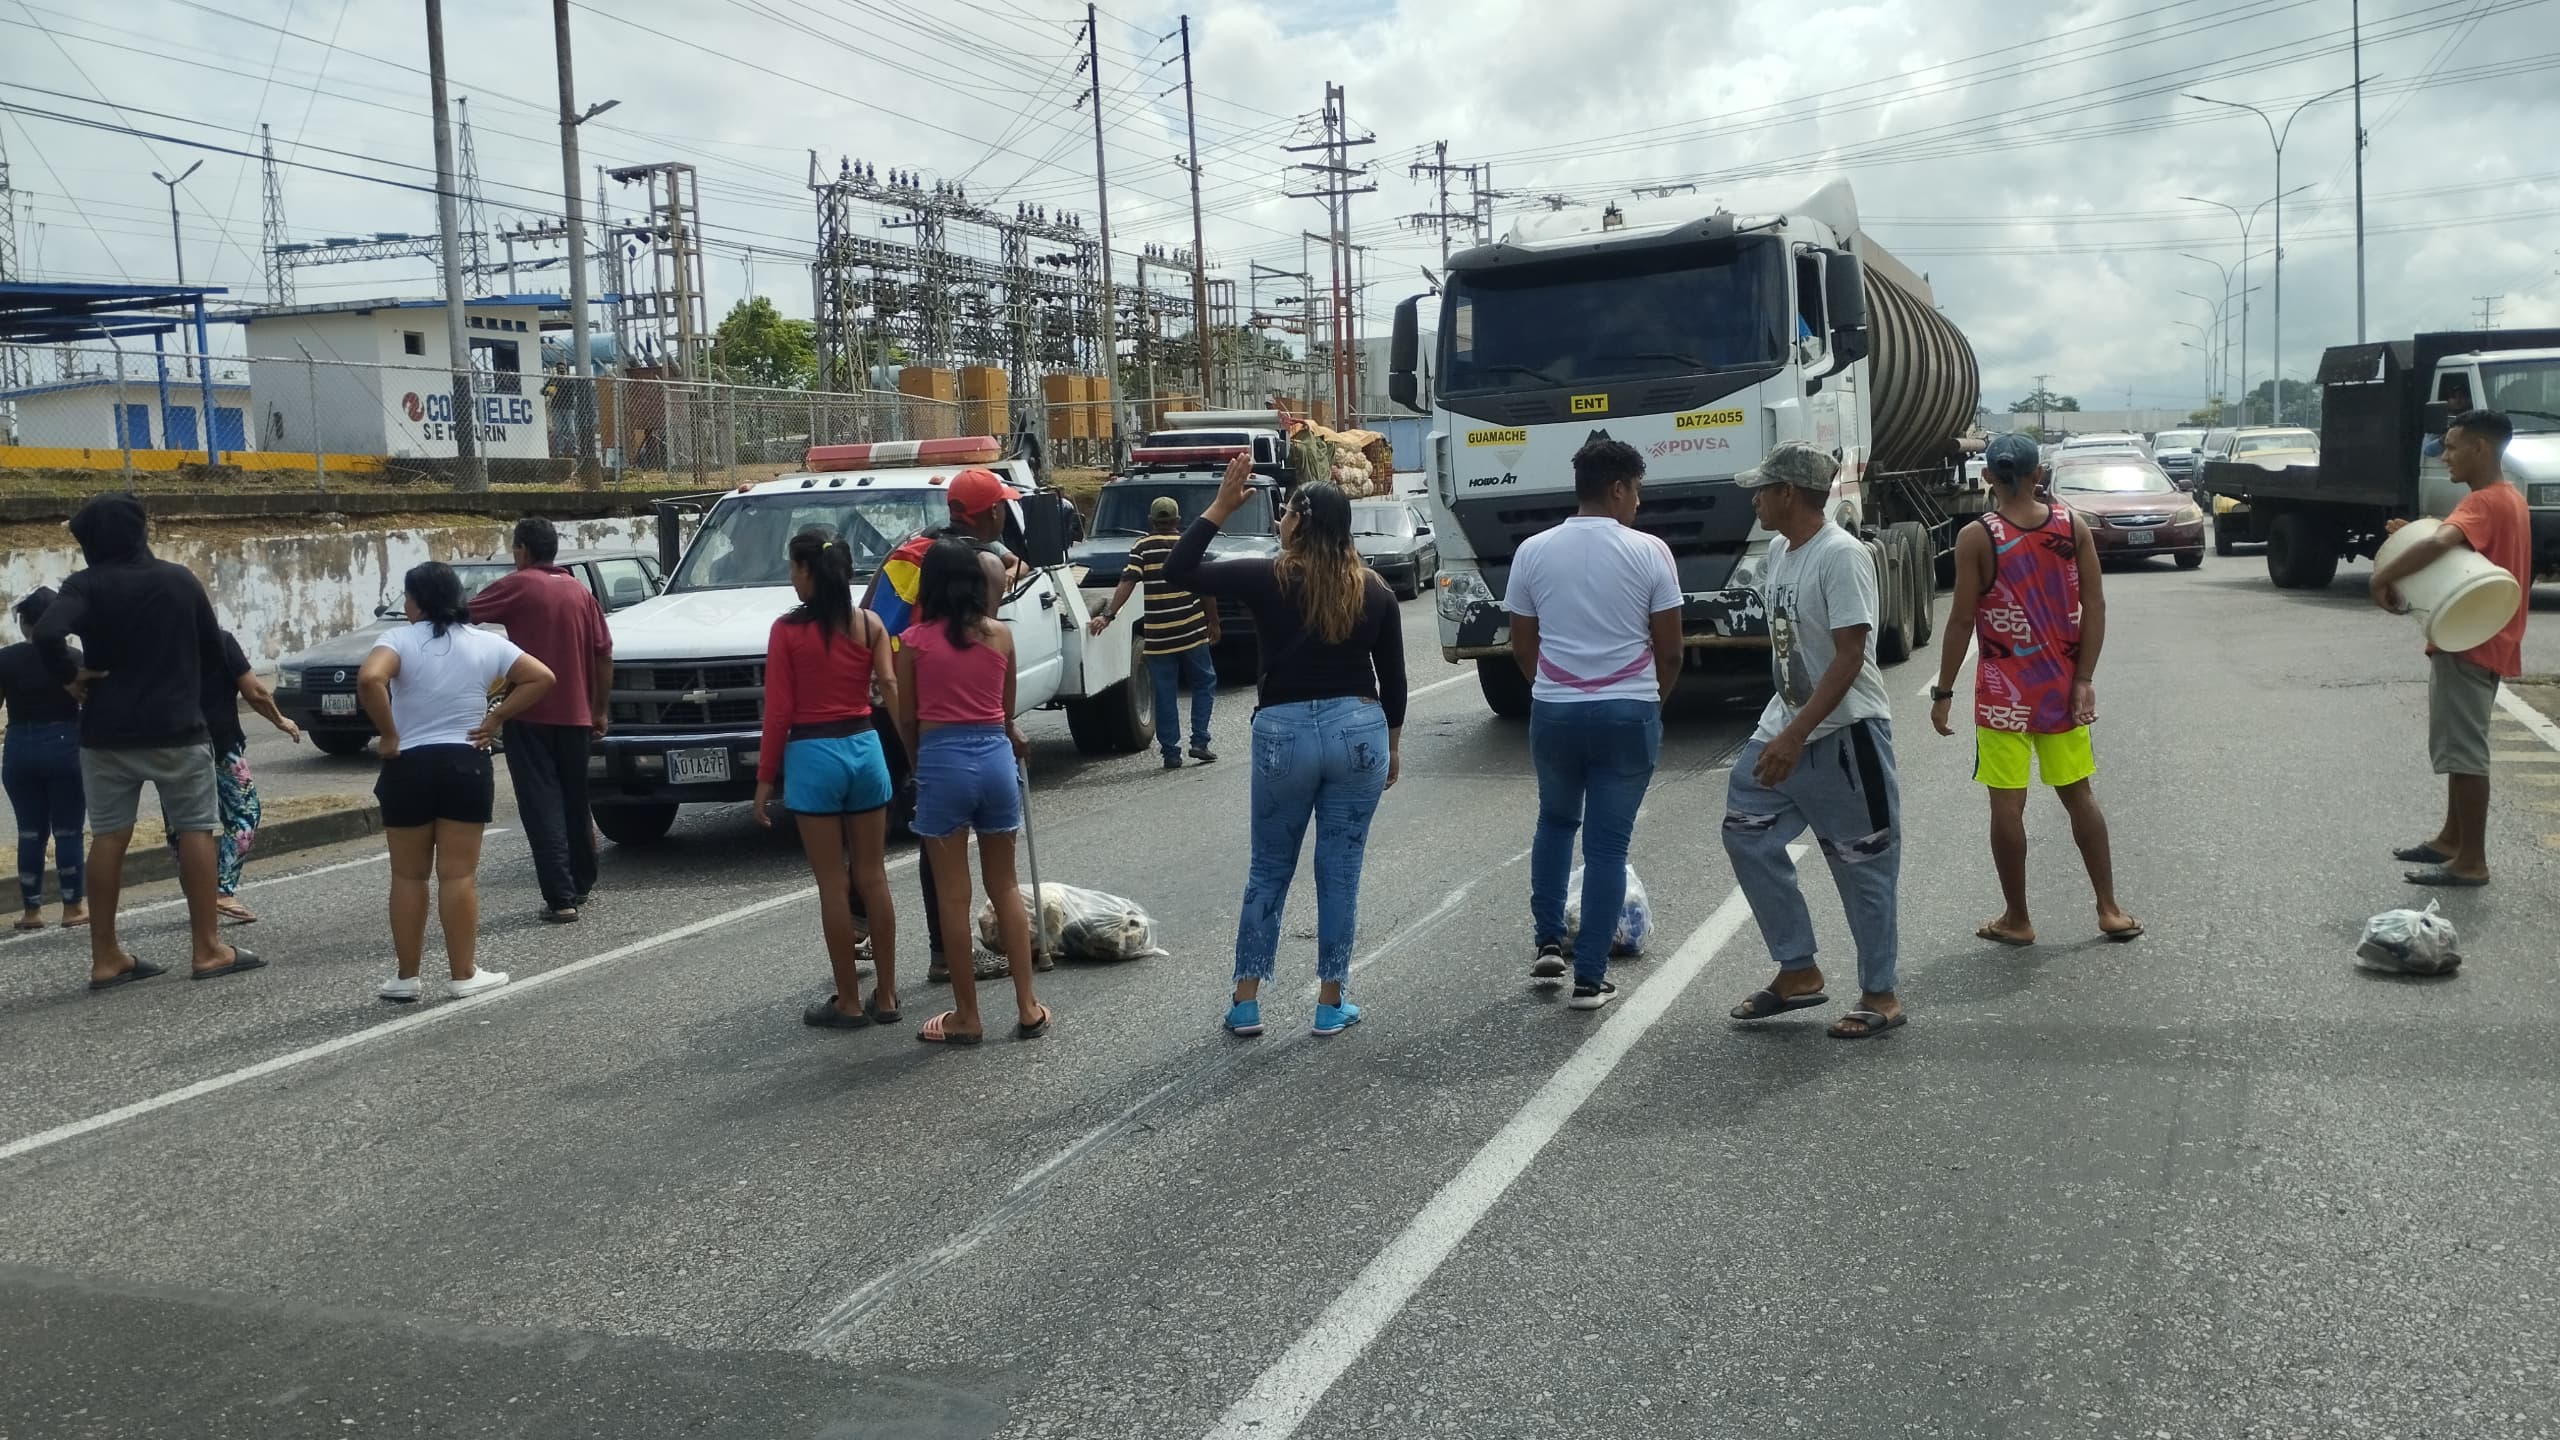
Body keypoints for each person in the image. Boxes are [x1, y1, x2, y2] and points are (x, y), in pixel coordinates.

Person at [1169, 455, 1406, 1038]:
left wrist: (1221, 508)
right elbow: (1393, 682)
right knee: (1340, 873)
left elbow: (1180, 570)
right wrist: (1392, 748)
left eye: (1284, 513)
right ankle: (1331, 1003)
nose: (1277, 520)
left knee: (1269, 870)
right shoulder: (1375, 589)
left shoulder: (1266, 575)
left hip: (1283, 733)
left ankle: (1246, 1002)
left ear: (1300, 523)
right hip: (1359, 733)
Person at [32, 492, 259, 990]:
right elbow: (212, 650)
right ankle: (207, 948)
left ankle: (107, 957)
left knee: (110, 836)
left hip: (106, 732)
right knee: (197, 829)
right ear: (140, 531)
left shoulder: (85, 584)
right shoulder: (179, 580)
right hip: (178, 727)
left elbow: (47, 632)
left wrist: (71, 675)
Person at [1719, 442, 1906, 1040]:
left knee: (1863, 863)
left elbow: (1852, 655)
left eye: (1763, 489)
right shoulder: (1780, 549)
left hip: (1845, 737)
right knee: (1745, 828)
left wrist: (1796, 736)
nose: (1755, 499)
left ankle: (1881, 993)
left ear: (1789, 494)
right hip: (1787, 725)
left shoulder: (1841, 556)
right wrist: (1784, 725)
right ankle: (1798, 970)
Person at [1928, 433, 2140, 946]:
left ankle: (2017, 919)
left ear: (1987, 479)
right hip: (2059, 689)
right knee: (2079, 794)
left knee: (2007, 806)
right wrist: (2084, 678)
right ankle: (2109, 909)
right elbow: (2096, 606)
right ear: (2038, 475)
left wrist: (1944, 691)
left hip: (2002, 692)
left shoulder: (1979, 536)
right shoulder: (2072, 527)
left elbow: (1959, 620)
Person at [1502, 437, 1681, 1009]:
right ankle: (1589, 977)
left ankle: (1548, 941)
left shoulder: (1532, 551)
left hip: (1555, 710)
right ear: (1619, 487)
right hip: (1628, 710)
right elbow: (1671, 650)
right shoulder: (1651, 552)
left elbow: (1522, 643)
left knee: (1554, 823)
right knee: (1607, 846)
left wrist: (1550, 689)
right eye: (1637, 492)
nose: (1639, 505)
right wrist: (1651, 702)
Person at [358, 561, 558, 1002]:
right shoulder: (487, 643)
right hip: (465, 760)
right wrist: (497, 717)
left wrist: (389, 733)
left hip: (408, 763)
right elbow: (542, 677)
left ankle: (406, 977)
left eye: (407, 598)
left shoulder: (397, 639)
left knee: (408, 877)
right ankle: (463, 974)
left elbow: (371, 678)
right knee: (458, 875)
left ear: (416, 601)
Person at [862, 467, 1025, 981]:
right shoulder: (985, 566)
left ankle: (855, 923)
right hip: (945, 721)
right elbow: (976, 644)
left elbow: (867, 615)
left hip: (882, 697)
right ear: (991, 513)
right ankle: (943, 955)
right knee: (953, 851)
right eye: (1001, 506)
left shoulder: (904, 552)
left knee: (892, 827)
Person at [893, 538, 1048, 1045]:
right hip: (995, 762)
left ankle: (967, 1016)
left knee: (953, 898)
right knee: (1004, 887)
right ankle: (1027, 1007)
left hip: (944, 762)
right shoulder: (1001, 636)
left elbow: (907, 718)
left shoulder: (914, 642)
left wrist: (922, 765)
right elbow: (1005, 716)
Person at [756, 528, 903, 1031]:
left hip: (813, 755)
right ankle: (886, 994)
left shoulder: (786, 631)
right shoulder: (870, 624)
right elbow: (887, 686)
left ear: (807, 571)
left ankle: (848, 1001)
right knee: (874, 876)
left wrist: (762, 782)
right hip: (865, 749)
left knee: (832, 885)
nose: (791, 576)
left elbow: (778, 712)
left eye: (793, 567)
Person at [2374, 408, 2528, 887]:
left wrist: (2383, 575)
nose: (2445, 456)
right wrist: (2414, 535)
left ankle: (2471, 861)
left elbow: (2443, 542)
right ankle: (2450, 840)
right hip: (2491, 635)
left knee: (2464, 753)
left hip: (2469, 641)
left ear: (2480, 447)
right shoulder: (2510, 499)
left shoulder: (2480, 502)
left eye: (2453, 445)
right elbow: (2464, 552)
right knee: (2461, 746)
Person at [466, 516, 612, 923]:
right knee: (573, 800)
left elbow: (465, 613)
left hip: (529, 713)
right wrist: (600, 708)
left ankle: (560, 897)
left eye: (515, 549)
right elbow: (604, 653)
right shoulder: (579, 592)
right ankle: (581, 881)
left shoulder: (519, 584)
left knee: (540, 804)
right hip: (577, 715)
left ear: (523, 551)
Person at [170, 628, 304, 924]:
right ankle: (220, 890)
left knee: (181, 824)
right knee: (245, 813)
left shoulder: (154, 641)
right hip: (219, 744)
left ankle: (197, 893)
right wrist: (279, 719)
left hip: (170, 748)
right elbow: (254, 690)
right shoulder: (218, 639)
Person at [1089, 494, 1222, 769]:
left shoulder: (1142, 547)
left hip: (1159, 635)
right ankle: (1199, 741)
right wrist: (1214, 622)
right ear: (1177, 520)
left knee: (1164, 693)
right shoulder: (1189, 544)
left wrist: (1108, 615)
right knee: (1204, 683)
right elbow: (1206, 587)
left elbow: (1126, 582)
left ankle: (1171, 753)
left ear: (1151, 521)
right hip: (1192, 630)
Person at [0, 589, 86, 932]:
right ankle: (72, 908)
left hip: (20, 744)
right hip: (65, 743)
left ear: (24, 623)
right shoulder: (75, 658)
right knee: (68, 831)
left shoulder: (5, 658)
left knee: (30, 832)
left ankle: (32, 912)